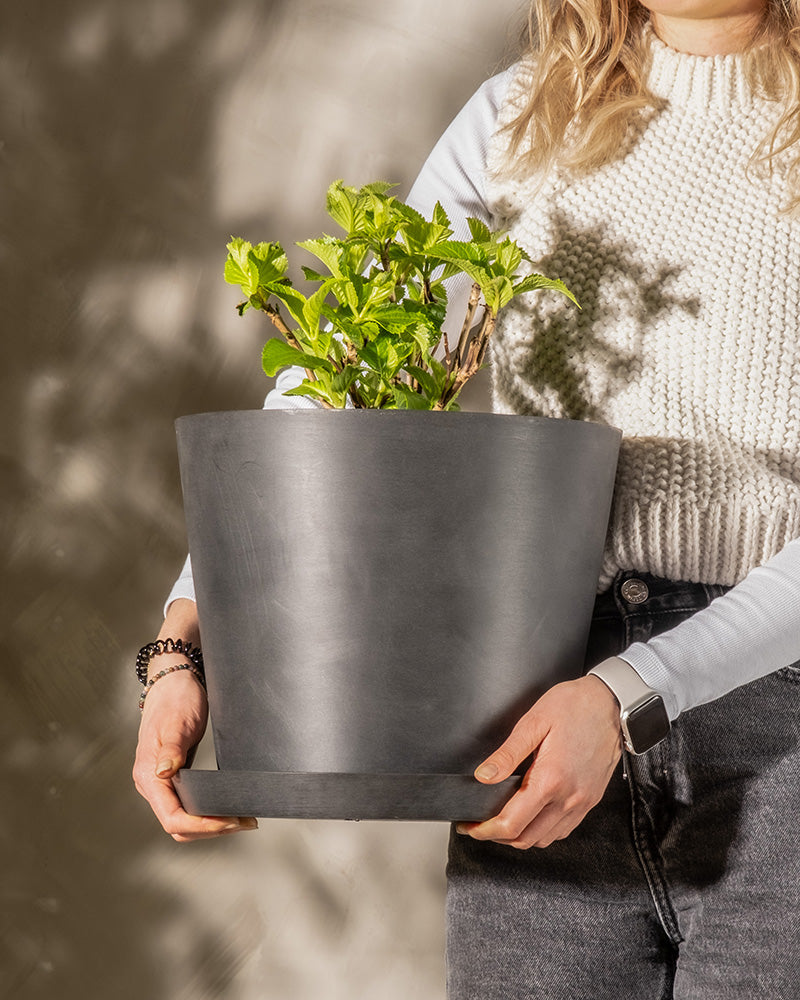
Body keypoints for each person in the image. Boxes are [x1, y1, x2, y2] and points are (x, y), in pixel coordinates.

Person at [133, 0, 800, 995]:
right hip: (529, 708)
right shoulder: (518, 118)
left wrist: (625, 697)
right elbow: (335, 384)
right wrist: (185, 635)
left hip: (770, 714)